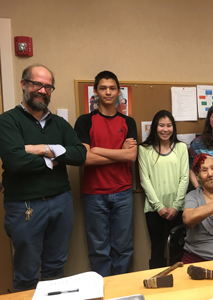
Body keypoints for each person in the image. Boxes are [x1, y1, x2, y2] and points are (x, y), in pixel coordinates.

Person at [0, 64, 86, 292]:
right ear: (24, 84)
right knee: (26, 273)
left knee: (55, 269)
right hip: (25, 206)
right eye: (37, 84)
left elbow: (80, 154)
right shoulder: (7, 121)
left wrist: (43, 149)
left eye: (48, 86)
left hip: (61, 202)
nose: (42, 90)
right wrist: (56, 156)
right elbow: (15, 161)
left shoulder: (59, 124)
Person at [74, 71, 137, 277]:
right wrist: (121, 153)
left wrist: (98, 149)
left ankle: (120, 292)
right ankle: (102, 293)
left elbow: (132, 157)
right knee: (99, 250)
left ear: (119, 91)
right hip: (94, 194)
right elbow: (85, 159)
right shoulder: (84, 121)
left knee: (124, 248)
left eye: (112, 88)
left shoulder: (129, 123)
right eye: (103, 88)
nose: (108, 92)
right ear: (95, 91)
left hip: (123, 193)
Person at [139, 110, 189, 269]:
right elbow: (144, 180)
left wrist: (176, 205)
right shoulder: (144, 149)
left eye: (169, 125)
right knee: (157, 248)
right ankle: (156, 285)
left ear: (173, 128)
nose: (165, 129)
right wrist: (159, 207)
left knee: (177, 248)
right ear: (154, 127)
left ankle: (179, 288)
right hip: (154, 209)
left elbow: (185, 178)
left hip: (178, 208)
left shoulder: (181, 147)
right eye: (161, 125)